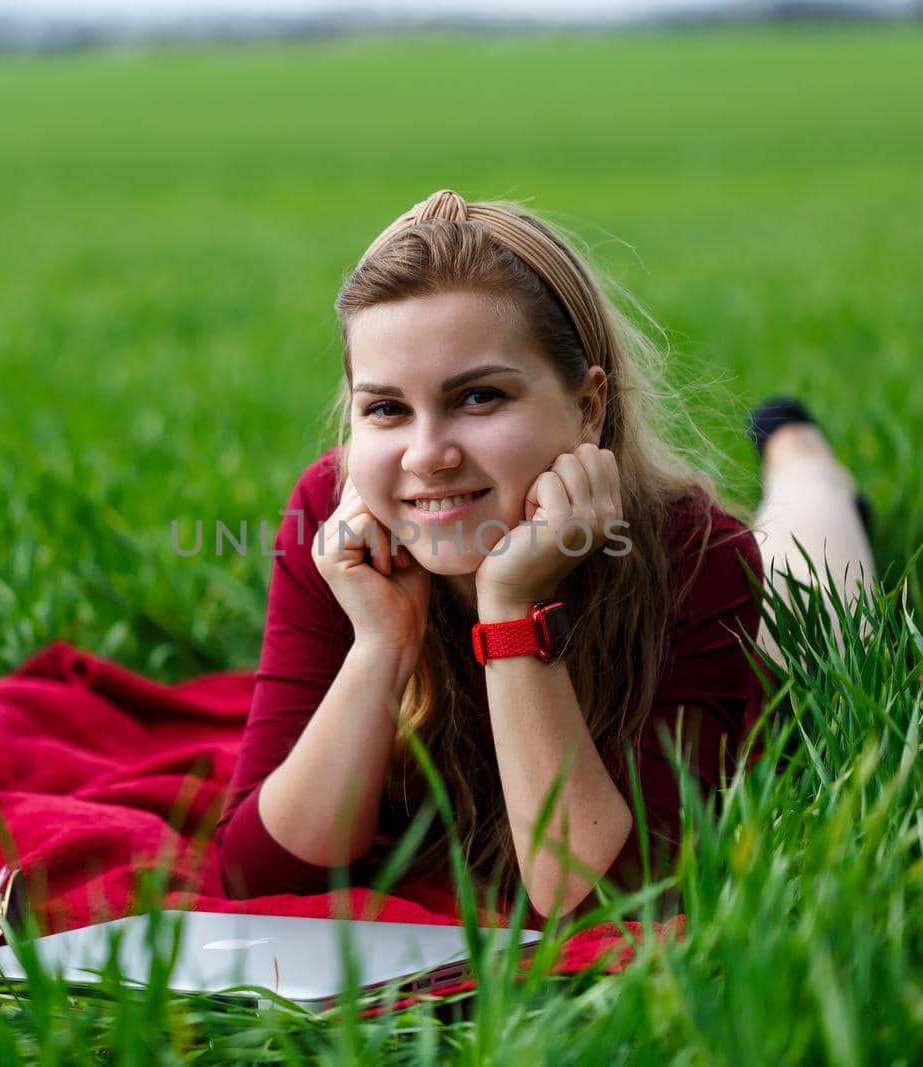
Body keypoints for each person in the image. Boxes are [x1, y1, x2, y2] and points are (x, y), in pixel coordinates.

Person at [209, 189, 878, 923]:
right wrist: (381, 644)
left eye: (479, 397)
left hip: (767, 645)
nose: (428, 456)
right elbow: (253, 876)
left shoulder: (697, 550)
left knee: (814, 564)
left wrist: (511, 610)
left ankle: (798, 449)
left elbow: (611, 903)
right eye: (387, 408)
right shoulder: (335, 521)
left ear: (589, 407)